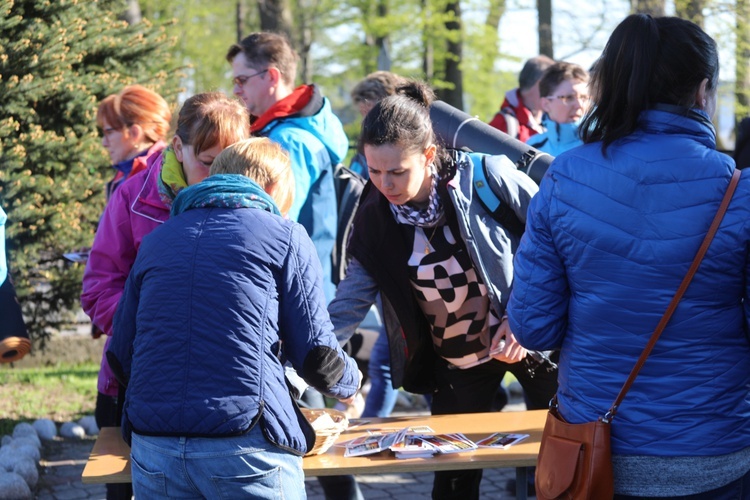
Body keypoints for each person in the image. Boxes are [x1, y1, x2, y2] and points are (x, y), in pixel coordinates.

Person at [508, 14, 750, 499]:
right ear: (703, 91)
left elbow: (533, 327)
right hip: (714, 451)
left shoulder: (565, 177)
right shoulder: (737, 191)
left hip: (595, 448)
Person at [328, 80, 558, 500]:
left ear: (429, 154)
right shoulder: (375, 217)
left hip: (532, 341)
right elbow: (348, 302)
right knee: (452, 481)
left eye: (398, 171)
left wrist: (523, 319)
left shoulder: (487, 176)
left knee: (561, 465)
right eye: (374, 171)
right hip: (457, 359)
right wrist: (309, 361)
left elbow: (554, 246)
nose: (386, 184)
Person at [106, 137, 360, 499]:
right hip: (245, 444)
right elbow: (317, 357)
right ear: (272, 187)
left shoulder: (157, 240)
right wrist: (351, 382)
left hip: (154, 447)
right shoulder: (285, 235)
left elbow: (120, 354)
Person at [81, 92, 251, 489]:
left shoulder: (256, 195)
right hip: (139, 378)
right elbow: (98, 288)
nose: (219, 177)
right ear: (178, 147)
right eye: (207, 163)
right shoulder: (132, 196)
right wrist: (156, 324)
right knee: (126, 485)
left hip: (225, 382)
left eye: (232, 163)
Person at [86, 84, 172, 500]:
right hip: (126, 358)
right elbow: (103, 279)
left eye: (107, 131)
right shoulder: (125, 184)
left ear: (135, 131)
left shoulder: (152, 182)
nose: (102, 141)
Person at [227, 32, 348, 303]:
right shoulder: (299, 129)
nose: (236, 90)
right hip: (306, 290)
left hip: (294, 296)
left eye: (241, 80)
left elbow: (275, 222)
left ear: (271, 76)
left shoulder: (288, 141)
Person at [97, 84, 172, 199]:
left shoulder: (157, 178)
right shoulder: (127, 172)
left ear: (134, 133)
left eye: (109, 132)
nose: (104, 143)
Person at [525, 61, 590, 156]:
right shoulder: (532, 148)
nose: (579, 105)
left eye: (584, 98)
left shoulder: (600, 147)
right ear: (546, 104)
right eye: (569, 97)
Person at [488, 55, 554, 142]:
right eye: (553, 85)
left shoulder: (552, 120)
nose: (556, 92)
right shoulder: (503, 124)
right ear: (540, 85)